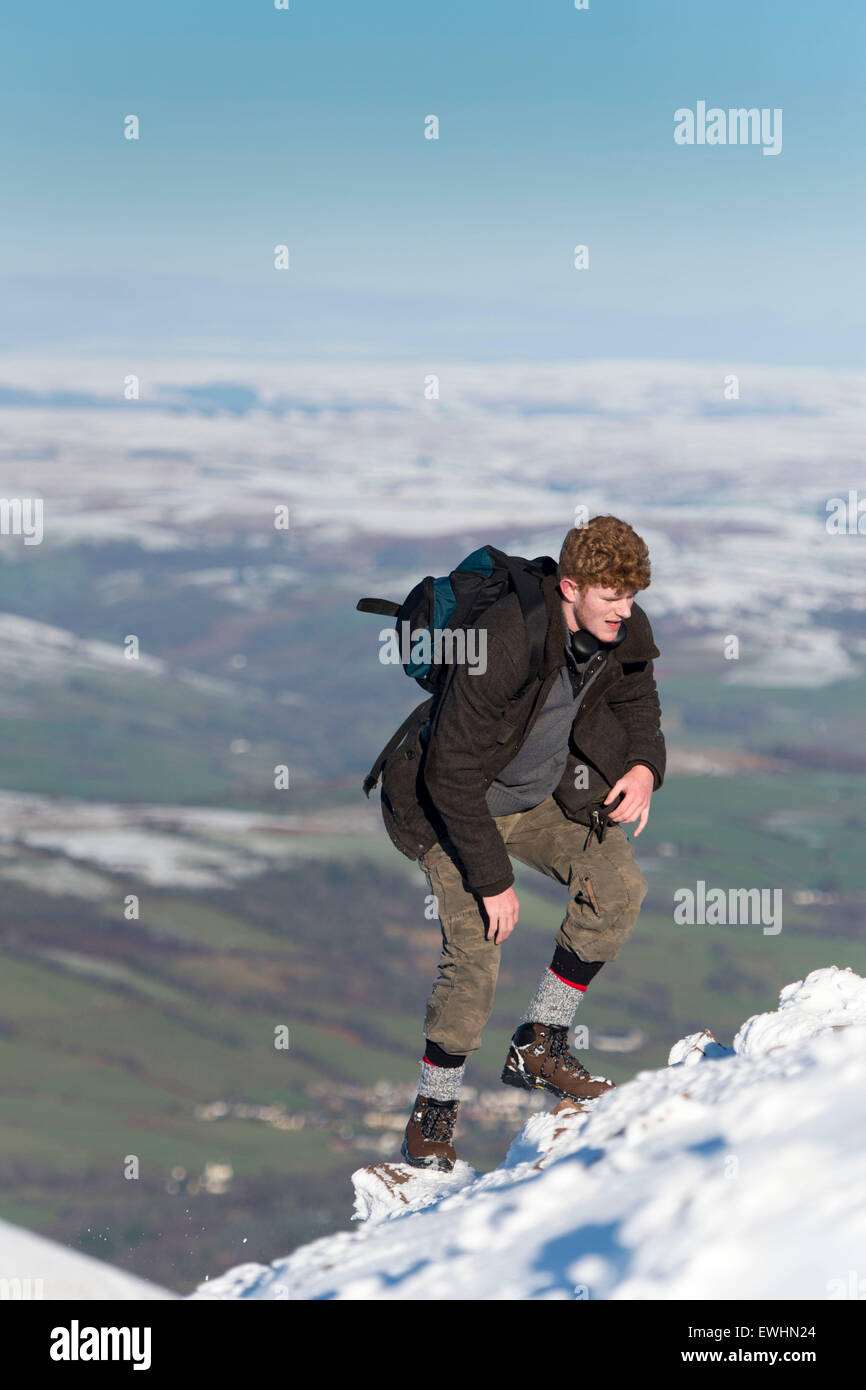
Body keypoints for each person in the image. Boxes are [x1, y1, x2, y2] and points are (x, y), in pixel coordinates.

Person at [394, 514, 666, 1170]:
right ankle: (432, 1115)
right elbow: (450, 770)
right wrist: (491, 880)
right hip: (448, 808)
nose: (625, 612)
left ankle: (539, 1042)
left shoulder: (621, 626)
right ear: (571, 587)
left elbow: (638, 704)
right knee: (477, 949)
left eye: (632, 597)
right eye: (612, 597)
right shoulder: (506, 639)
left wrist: (644, 767)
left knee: (618, 886)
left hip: (538, 798)